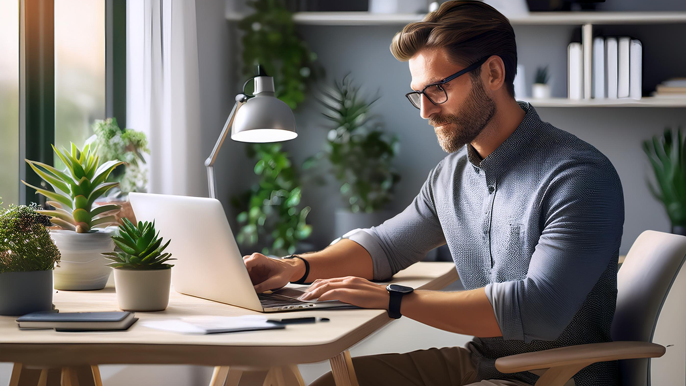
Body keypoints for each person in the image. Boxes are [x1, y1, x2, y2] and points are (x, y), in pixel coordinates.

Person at [243, 2, 624, 385]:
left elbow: (541, 307)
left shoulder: (577, 176)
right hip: (482, 363)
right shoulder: (452, 175)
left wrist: (397, 299)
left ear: (493, 73)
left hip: (556, 377)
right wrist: (294, 266)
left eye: (439, 89)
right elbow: (385, 246)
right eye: (418, 93)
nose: (425, 111)